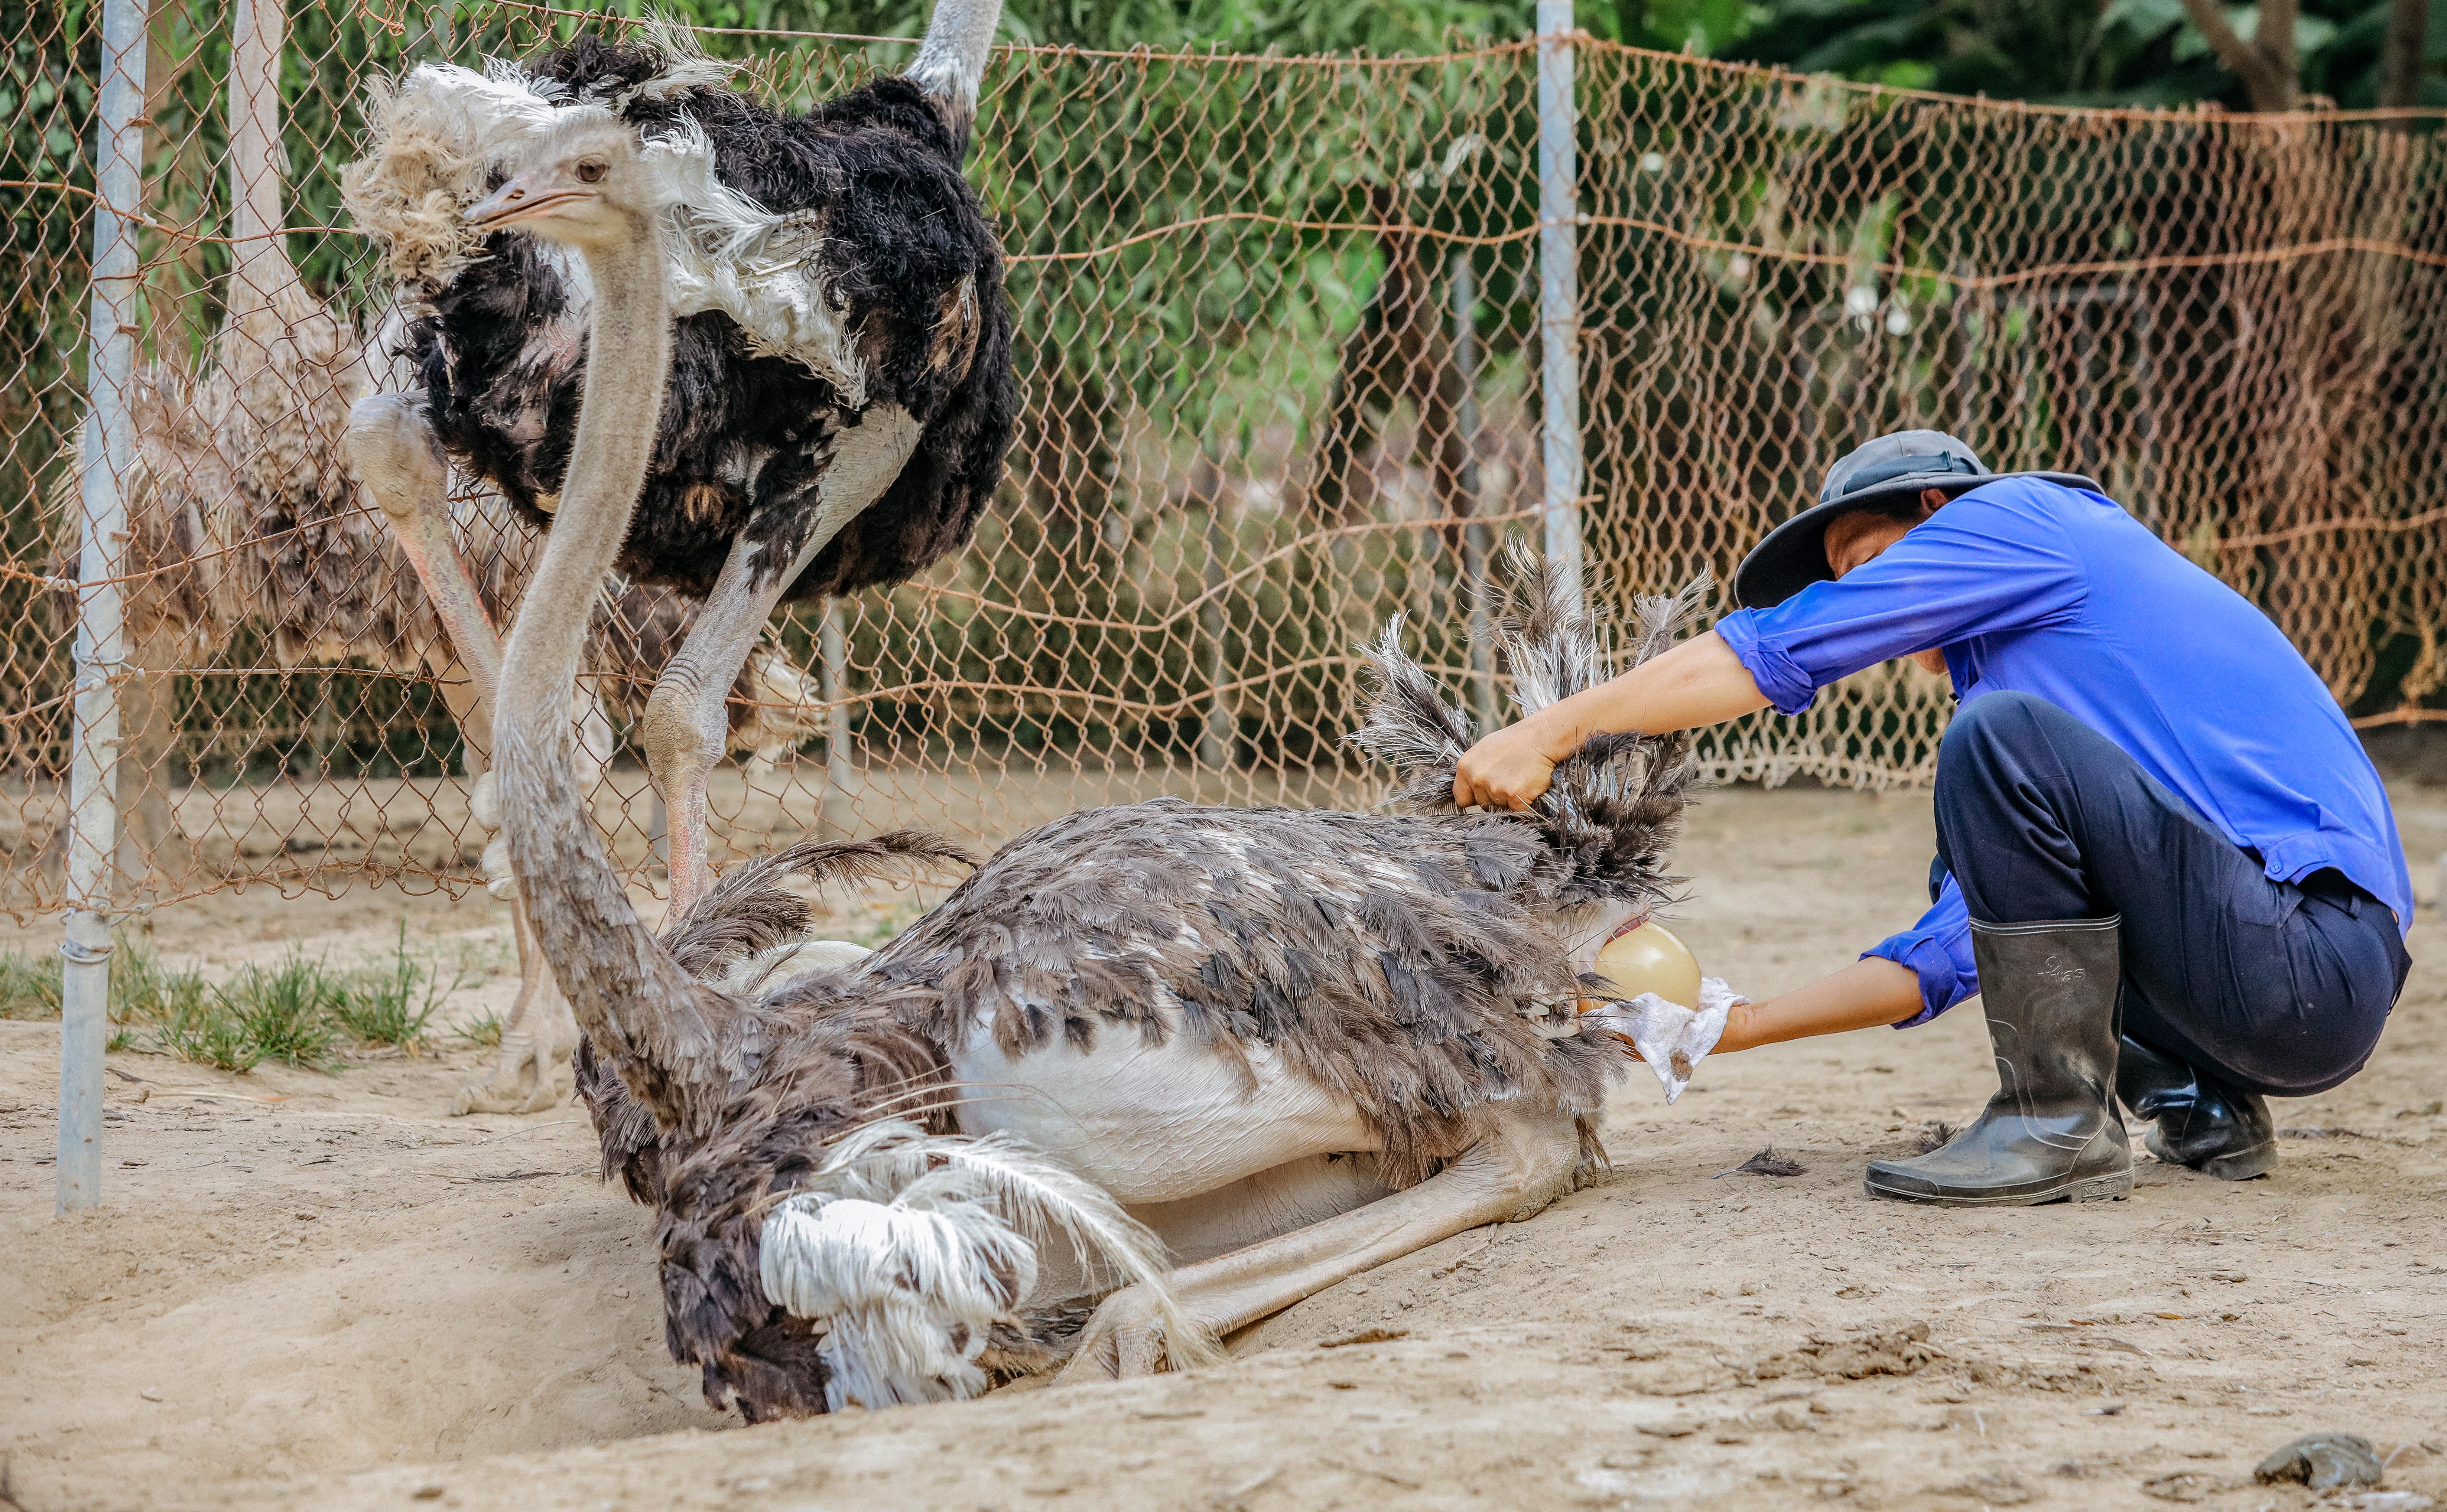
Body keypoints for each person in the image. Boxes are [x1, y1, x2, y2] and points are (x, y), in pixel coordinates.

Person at [1455, 430, 2412, 1207]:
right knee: (1984, 833)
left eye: (1873, 567)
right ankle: (2204, 1103)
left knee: (1994, 744)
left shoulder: (2026, 520)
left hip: (2310, 954)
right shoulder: (2036, 688)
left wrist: (1554, 731)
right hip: (2274, 998)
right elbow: (1956, 951)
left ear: (1937, 510)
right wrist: (1727, 1028)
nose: (1875, 606)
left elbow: (1777, 650)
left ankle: (2055, 1125)